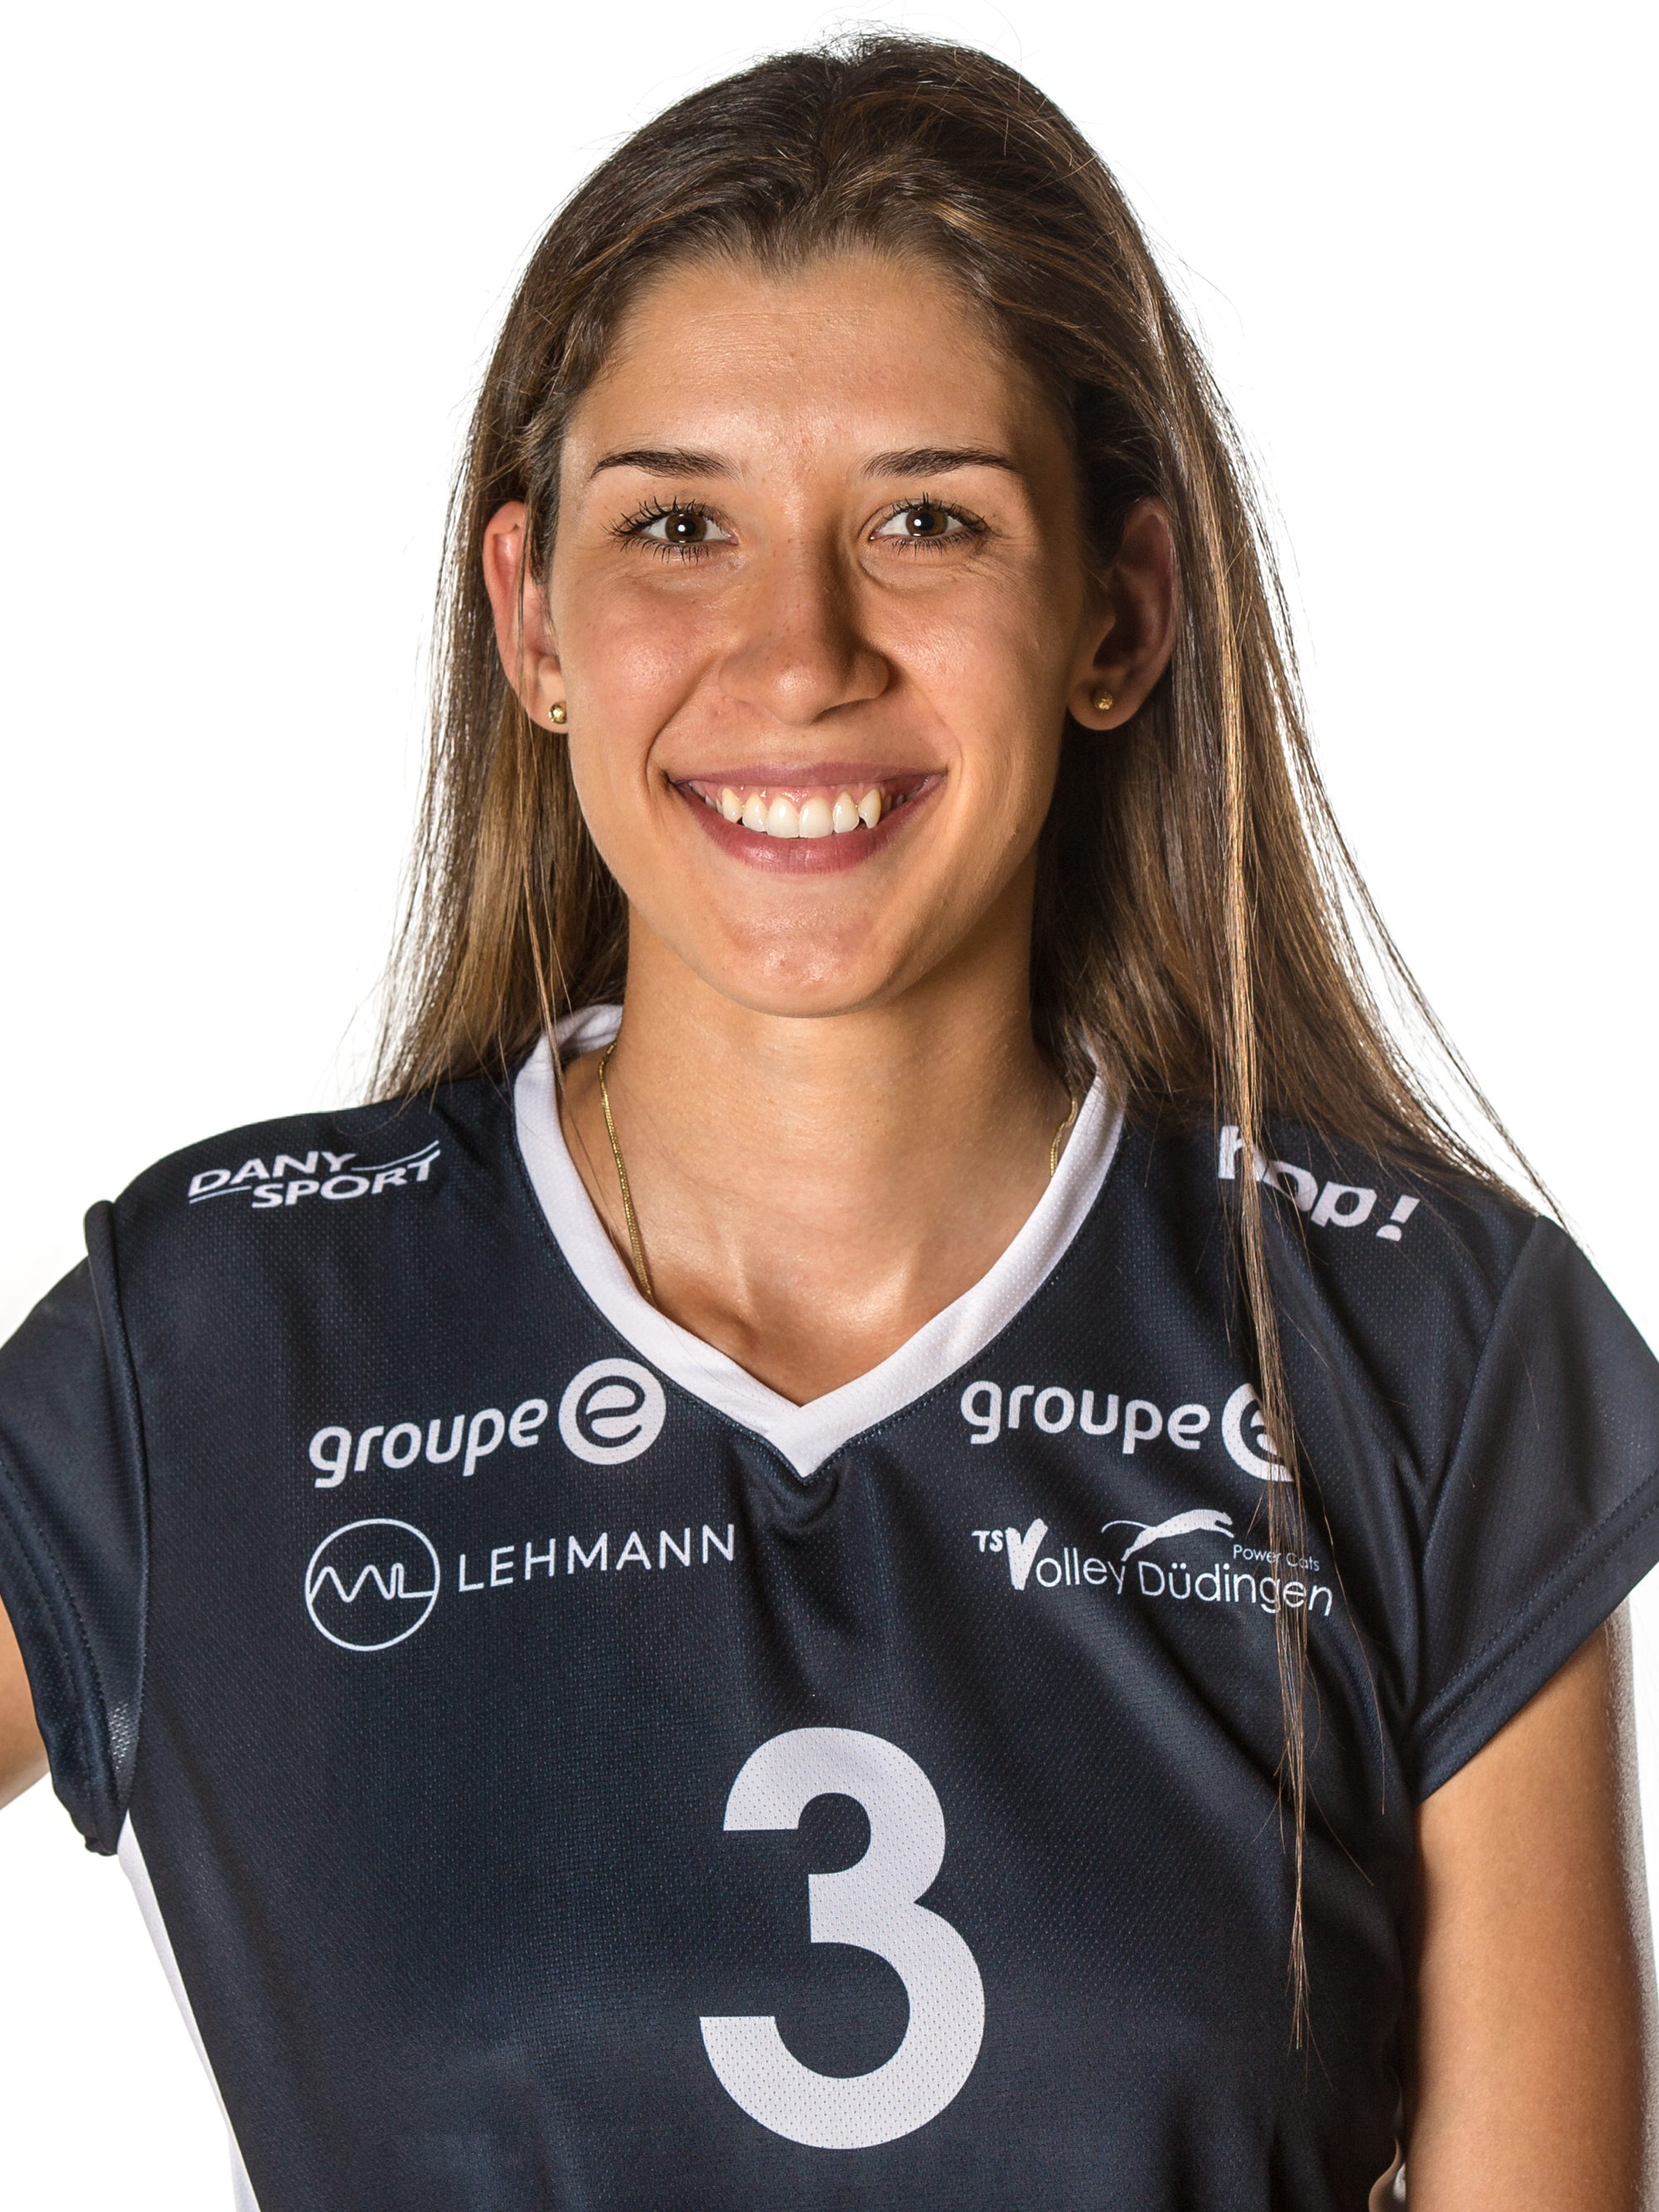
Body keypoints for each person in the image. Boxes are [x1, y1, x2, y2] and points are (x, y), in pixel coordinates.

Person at [1, 32, 1655, 2211]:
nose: (800, 653)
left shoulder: (1425, 1343)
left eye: (925, 520)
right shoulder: (223, 1336)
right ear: (532, 616)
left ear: (1120, 614)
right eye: (679, 525)